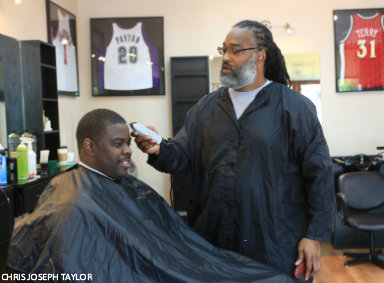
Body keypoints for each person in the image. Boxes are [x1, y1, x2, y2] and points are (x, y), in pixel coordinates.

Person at [133, 20, 335, 282]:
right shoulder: (206, 108)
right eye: (223, 50)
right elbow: (182, 155)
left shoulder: (294, 107)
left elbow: (319, 173)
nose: (226, 58)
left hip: (275, 241)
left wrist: (314, 235)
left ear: (260, 55)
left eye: (235, 50)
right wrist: (157, 147)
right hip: (215, 239)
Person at [7, 108, 292, 283]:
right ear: (89, 146)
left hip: (180, 264)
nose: (128, 150)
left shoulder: (119, 185)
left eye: (128, 144)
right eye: (117, 144)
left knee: (270, 276)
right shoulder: (75, 204)